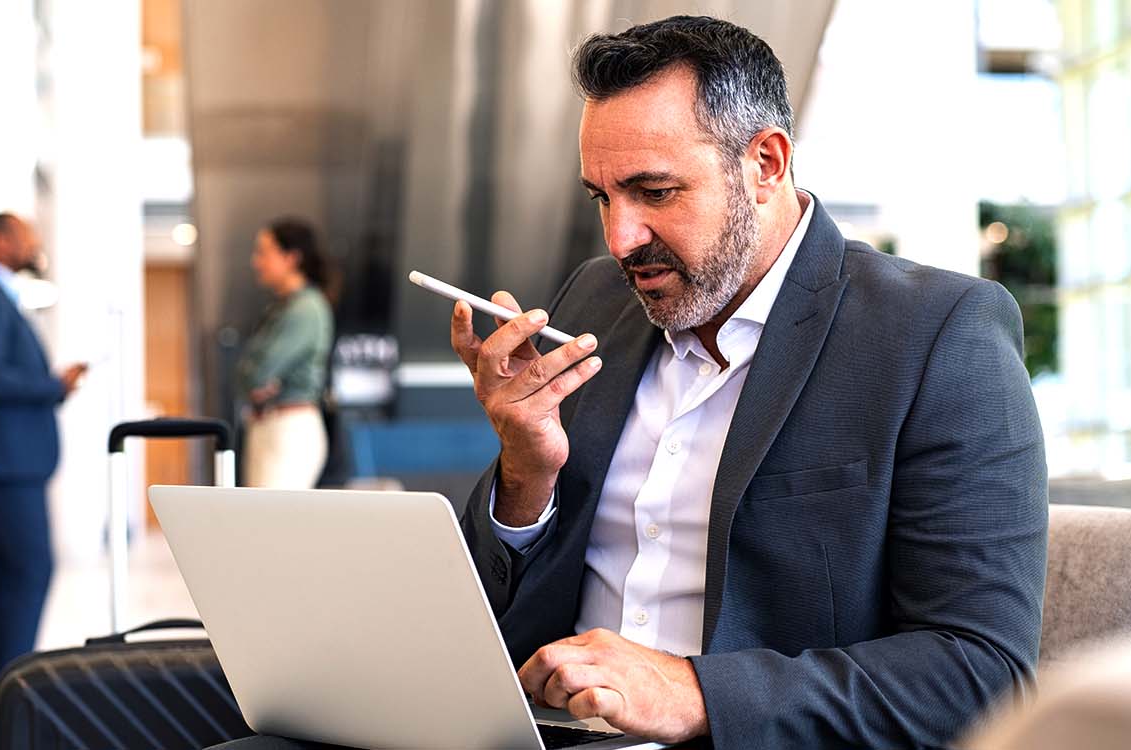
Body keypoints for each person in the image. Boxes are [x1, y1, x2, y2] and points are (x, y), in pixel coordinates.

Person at [448, 16, 1048, 748]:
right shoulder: (594, 302)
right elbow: (490, 614)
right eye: (602, 197)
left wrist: (693, 692)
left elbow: (980, 674)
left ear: (765, 163)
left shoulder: (937, 334)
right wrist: (525, 475)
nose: (619, 239)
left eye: (655, 191)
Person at [0, 213, 86, 716]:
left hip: (8, 467)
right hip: (3, 469)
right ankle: (11, 698)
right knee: (30, 570)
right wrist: (53, 386)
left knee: (10, 578)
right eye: (25, 233)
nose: (34, 241)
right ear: (1, 242)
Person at [236, 217, 336, 488]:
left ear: (291, 257)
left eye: (264, 252)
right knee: (258, 523)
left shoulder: (306, 308)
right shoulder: (278, 309)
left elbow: (258, 372)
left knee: (274, 524)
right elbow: (246, 376)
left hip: (290, 429)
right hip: (265, 425)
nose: (256, 262)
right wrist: (258, 381)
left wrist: (262, 381)